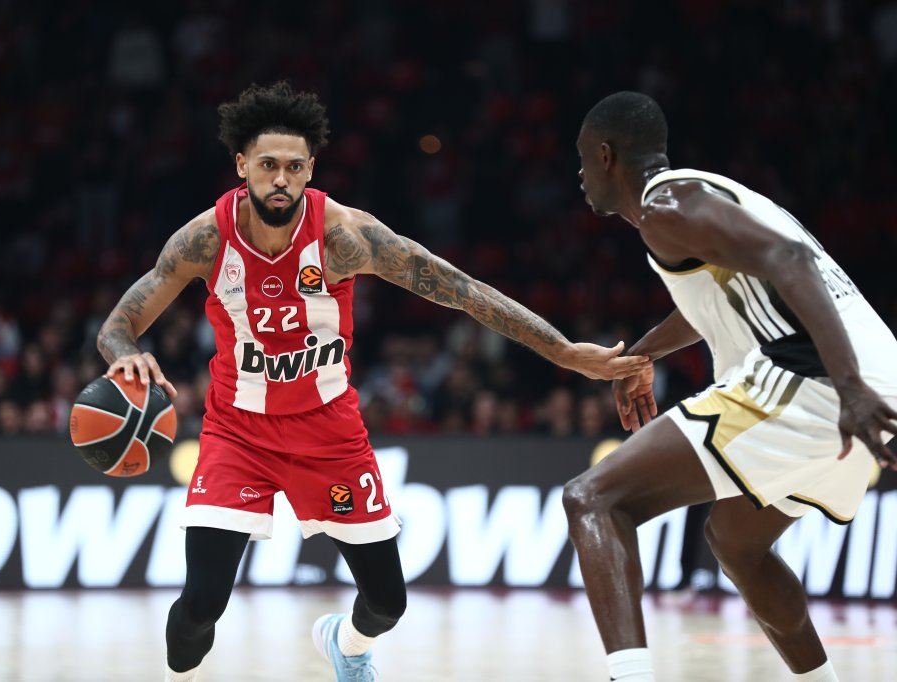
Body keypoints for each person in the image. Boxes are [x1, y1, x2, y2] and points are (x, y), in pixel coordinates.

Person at [95, 82, 649, 682]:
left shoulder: (344, 236)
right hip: (238, 433)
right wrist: (127, 355)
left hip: (329, 432)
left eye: (294, 167)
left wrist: (563, 351)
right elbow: (118, 326)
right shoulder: (205, 239)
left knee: (387, 603)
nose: (281, 179)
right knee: (200, 611)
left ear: (311, 169)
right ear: (241, 166)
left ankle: (345, 644)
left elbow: (462, 290)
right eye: (268, 165)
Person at [563, 91, 897, 682]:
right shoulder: (699, 202)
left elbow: (791, 259)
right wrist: (642, 354)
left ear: (607, 156)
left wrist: (847, 387)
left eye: (583, 158)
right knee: (736, 542)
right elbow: (712, 305)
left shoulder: (669, 204)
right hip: (869, 379)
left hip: (821, 379)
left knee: (593, 498)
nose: (580, 174)